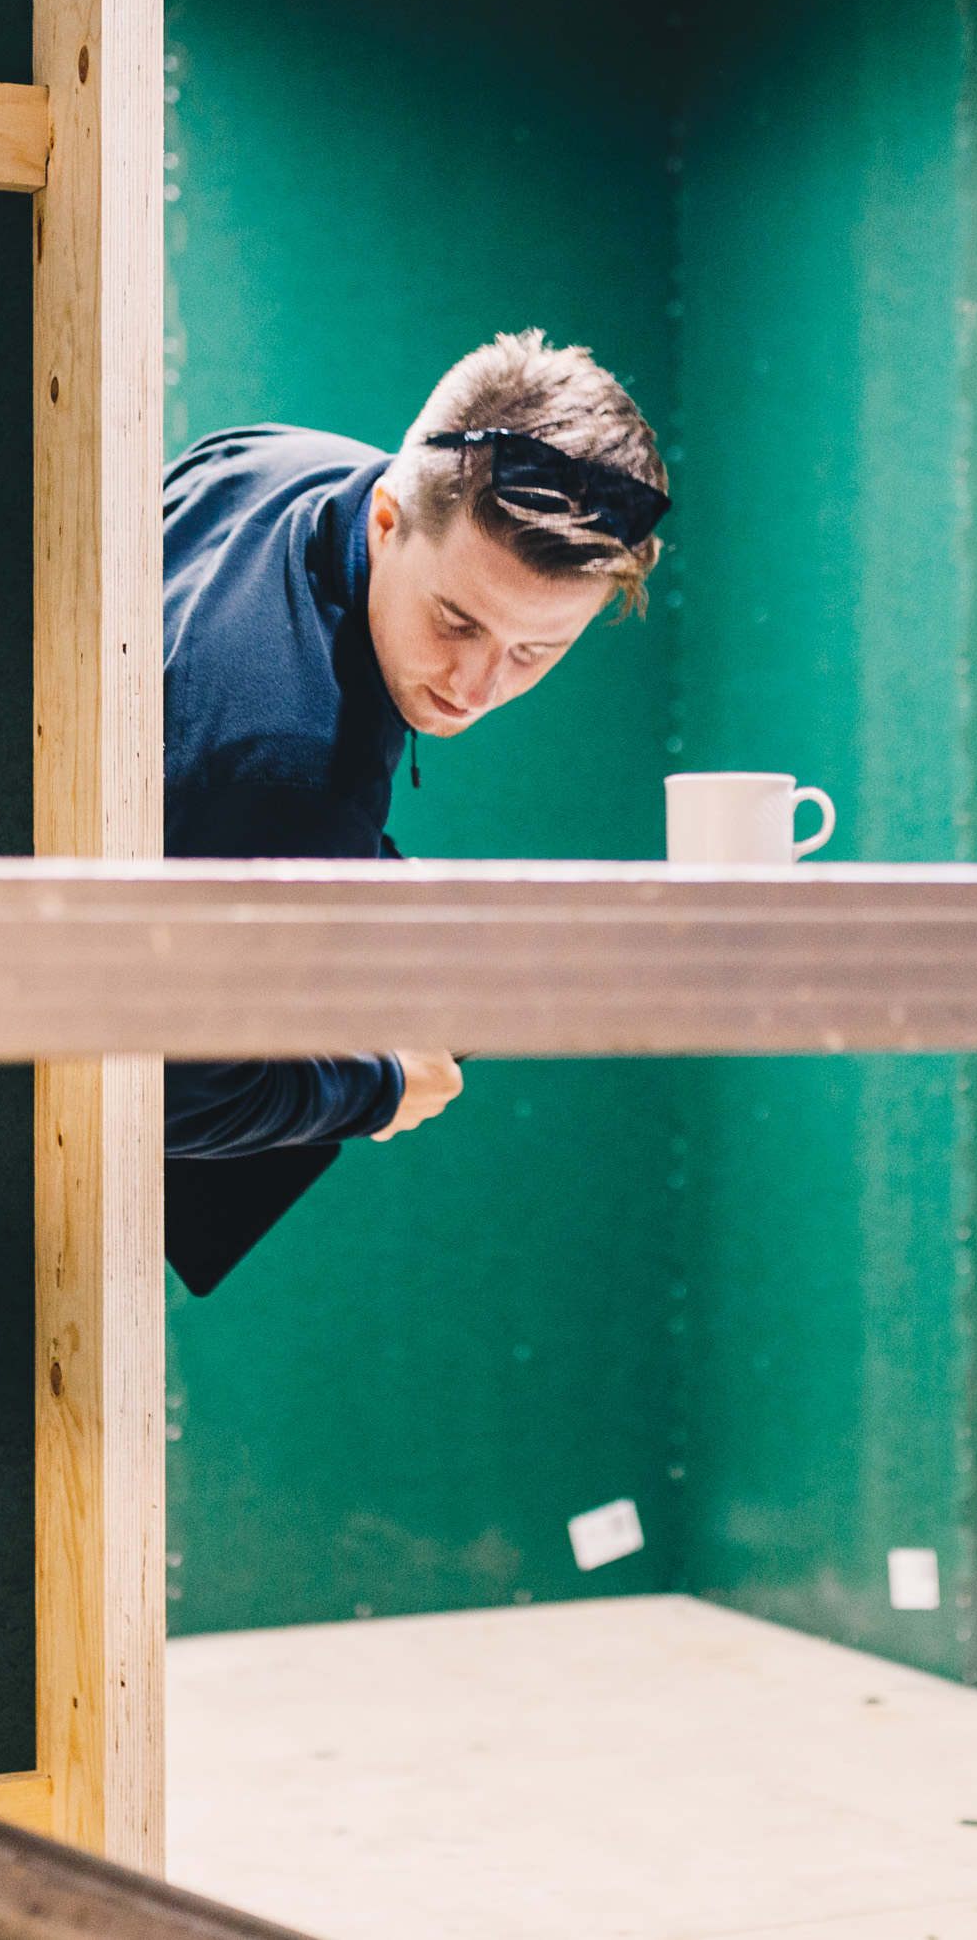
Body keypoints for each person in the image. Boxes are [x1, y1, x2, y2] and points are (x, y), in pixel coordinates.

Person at [157, 330, 670, 1288]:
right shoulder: (295, 771)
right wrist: (378, 1085)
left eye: (535, 651)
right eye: (457, 621)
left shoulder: (277, 461)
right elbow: (161, 1097)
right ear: (391, 518)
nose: (475, 683)